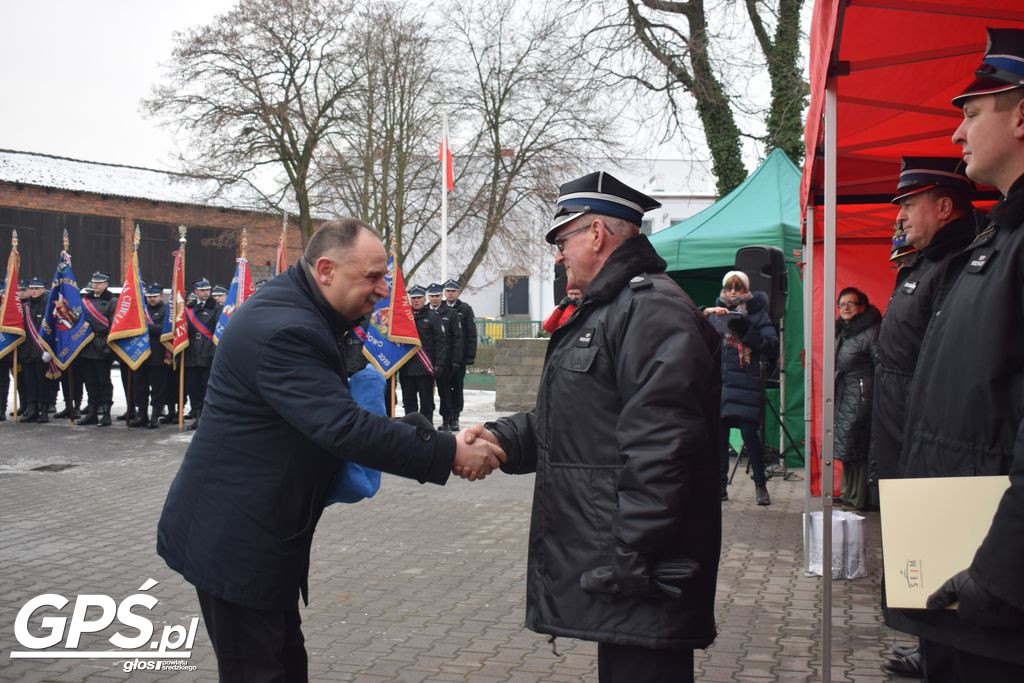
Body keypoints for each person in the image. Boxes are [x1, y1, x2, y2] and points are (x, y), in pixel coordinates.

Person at [156, 219, 505, 681]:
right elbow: (343, 427)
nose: (384, 290)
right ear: (325, 269)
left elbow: (334, 419)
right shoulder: (286, 329)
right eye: (373, 277)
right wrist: (446, 451)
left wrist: (435, 440)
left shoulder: (303, 311)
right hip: (237, 542)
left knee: (285, 664)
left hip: (261, 534)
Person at [463, 172, 722, 683]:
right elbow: (579, 420)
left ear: (597, 235)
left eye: (563, 240)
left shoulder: (652, 311)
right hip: (628, 571)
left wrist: (630, 557)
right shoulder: (614, 309)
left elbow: (664, 452)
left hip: (644, 576)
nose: (558, 255)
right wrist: (499, 439)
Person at [889, 28, 1024, 681]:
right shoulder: (995, 245)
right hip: (960, 578)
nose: (956, 133)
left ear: (1020, 114)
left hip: (997, 600)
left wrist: (995, 576)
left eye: (972, 112)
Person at [868, 159, 976, 679]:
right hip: (898, 417)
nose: (902, 217)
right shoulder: (927, 261)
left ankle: (943, 650)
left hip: (925, 421)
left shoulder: (957, 262)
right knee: (913, 541)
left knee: (937, 543)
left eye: (909, 205)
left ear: (944, 206)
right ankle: (929, 644)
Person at [703, 270, 778, 505]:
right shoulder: (716, 314)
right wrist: (705, 313)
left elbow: (772, 347)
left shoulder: (757, 314)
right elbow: (693, 334)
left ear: (747, 290)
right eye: (729, 287)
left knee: (749, 435)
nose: (733, 292)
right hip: (722, 384)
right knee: (719, 438)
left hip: (746, 383)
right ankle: (720, 486)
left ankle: (760, 486)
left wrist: (746, 330)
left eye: (738, 287)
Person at [833, 287, 880, 511]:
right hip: (845, 393)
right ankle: (847, 493)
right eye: (842, 304)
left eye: (851, 303)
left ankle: (859, 496)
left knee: (858, 446)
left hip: (862, 395)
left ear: (862, 306)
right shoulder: (843, 331)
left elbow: (880, 364)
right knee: (846, 445)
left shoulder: (872, 331)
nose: (846, 308)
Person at [399, 285, 445, 426]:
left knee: (426, 403)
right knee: (408, 403)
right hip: (406, 368)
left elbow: (440, 342)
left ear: (424, 298)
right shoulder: (404, 318)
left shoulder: (432, 317)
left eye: (419, 298)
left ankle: (427, 429)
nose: (416, 301)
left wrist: (439, 364)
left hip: (425, 368)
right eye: (413, 298)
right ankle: (410, 431)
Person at [77, 271, 117, 426]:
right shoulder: (86, 300)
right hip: (87, 345)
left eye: (99, 283)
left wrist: (108, 344)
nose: (96, 286)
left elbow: (114, 325)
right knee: (90, 381)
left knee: (104, 382)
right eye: (94, 283)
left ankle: (106, 413)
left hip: (102, 345)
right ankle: (92, 412)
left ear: (106, 284)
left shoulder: (112, 301)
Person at [129, 284, 168, 429]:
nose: (151, 299)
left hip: (157, 355)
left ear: (161, 296)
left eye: (155, 296)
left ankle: (155, 415)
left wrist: (144, 326)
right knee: (140, 387)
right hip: (139, 355)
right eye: (149, 297)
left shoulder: (166, 310)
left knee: (157, 388)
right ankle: (142, 415)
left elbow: (163, 330)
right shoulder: (140, 309)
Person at [183, 278, 220, 430]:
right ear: (196, 292)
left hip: (206, 350)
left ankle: (206, 417)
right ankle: (197, 413)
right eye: (202, 290)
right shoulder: (190, 307)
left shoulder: (216, 308)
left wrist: (212, 352)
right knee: (193, 386)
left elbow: (218, 331)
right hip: (191, 351)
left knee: (206, 386)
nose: (206, 293)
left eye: (207, 290)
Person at [440, 279, 476, 431]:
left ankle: (455, 416)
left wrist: (469, 357)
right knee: (444, 389)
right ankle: (446, 417)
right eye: (448, 291)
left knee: (457, 387)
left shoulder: (465, 309)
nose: (450, 294)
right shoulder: (439, 308)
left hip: (458, 358)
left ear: (458, 292)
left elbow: (471, 335)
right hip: (443, 358)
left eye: (453, 291)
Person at [427, 281, 462, 430]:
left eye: (437, 296)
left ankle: (447, 420)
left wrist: (455, 360)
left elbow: (457, 338)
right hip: (427, 359)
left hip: (445, 361)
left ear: (441, 296)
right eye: (432, 296)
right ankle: (427, 421)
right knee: (426, 393)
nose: (434, 299)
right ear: (428, 297)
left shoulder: (451, 313)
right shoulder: (424, 312)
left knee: (445, 393)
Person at [18, 277, 49, 423]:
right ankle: (32, 409)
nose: (34, 291)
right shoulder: (25, 306)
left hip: (41, 352)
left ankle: (44, 410)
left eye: (37, 288)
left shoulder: (47, 306)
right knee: (29, 383)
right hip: (27, 351)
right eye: (32, 288)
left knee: (42, 383)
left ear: (43, 289)